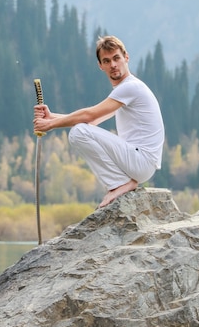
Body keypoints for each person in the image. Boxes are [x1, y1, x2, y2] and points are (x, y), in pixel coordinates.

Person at [33, 35, 165, 208]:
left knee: (78, 133)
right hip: (139, 163)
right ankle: (123, 182)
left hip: (141, 161)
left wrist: (49, 125)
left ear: (126, 57)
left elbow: (89, 116)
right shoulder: (125, 90)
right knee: (82, 129)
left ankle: (119, 184)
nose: (113, 65)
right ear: (100, 66)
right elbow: (94, 120)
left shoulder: (130, 87)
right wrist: (53, 117)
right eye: (107, 61)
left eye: (117, 58)